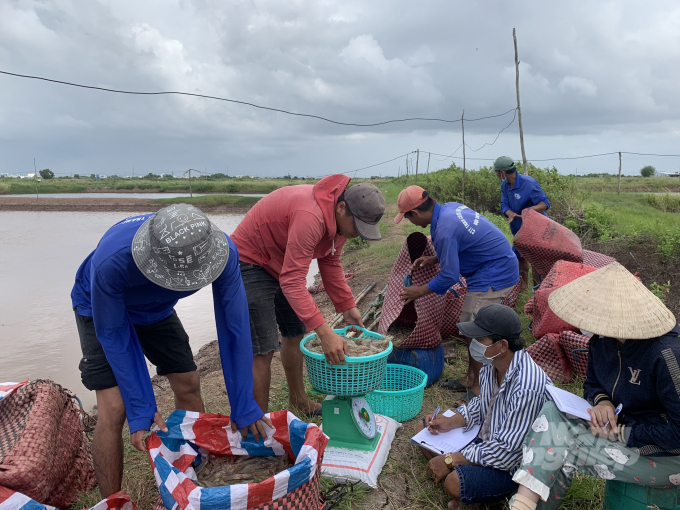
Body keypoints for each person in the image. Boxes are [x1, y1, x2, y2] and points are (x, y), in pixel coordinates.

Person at [71, 204, 272, 498]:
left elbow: (235, 325)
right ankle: (112, 500)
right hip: (99, 309)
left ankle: (196, 476)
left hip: (156, 310)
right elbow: (114, 333)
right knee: (114, 406)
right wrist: (141, 407)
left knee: (188, 382)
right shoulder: (111, 261)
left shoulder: (222, 250)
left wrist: (244, 403)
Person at [510, 262, 680, 510]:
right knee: (550, 412)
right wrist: (602, 401)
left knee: (559, 447)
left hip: (665, 457)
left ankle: (522, 506)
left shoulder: (665, 356)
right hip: (621, 434)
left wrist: (622, 432)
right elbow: (592, 383)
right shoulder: (602, 342)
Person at [230, 175, 385, 415]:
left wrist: (347, 306)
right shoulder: (311, 217)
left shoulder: (340, 222)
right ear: (342, 207)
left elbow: (331, 262)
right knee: (263, 346)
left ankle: (298, 401)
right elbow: (292, 282)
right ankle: (257, 422)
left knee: (295, 332)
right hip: (251, 259)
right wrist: (325, 333)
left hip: (282, 262)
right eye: (357, 225)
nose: (358, 233)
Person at [415, 304, 550, 509]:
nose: (474, 344)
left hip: (512, 463)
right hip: (488, 439)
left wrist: (451, 459)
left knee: (454, 482)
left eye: (480, 339)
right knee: (422, 430)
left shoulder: (527, 387)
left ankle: (466, 486)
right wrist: (450, 421)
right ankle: (471, 495)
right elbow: (482, 404)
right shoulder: (492, 363)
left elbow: (506, 452)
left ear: (503, 345)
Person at [395, 185, 520, 403]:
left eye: (407, 218)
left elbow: (450, 276)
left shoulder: (444, 229)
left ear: (414, 213)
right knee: (468, 326)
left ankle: (480, 389)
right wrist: (435, 258)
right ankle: (470, 378)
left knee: (478, 330)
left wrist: (419, 291)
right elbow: (465, 243)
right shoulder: (448, 210)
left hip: (494, 272)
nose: (410, 223)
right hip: (489, 266)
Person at [493, 156, 549, 290]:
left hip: (535, 229)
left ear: (503, 172)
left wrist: (528, 211)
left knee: (536, 261)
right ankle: (522, 290)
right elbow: (504, 204)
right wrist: (509, 213)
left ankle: (538, 291)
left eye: (496, 172)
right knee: (519, 258)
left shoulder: (529, 183)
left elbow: (544, 204)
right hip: (518, 230)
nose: (496, 175)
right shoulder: (504, 186)